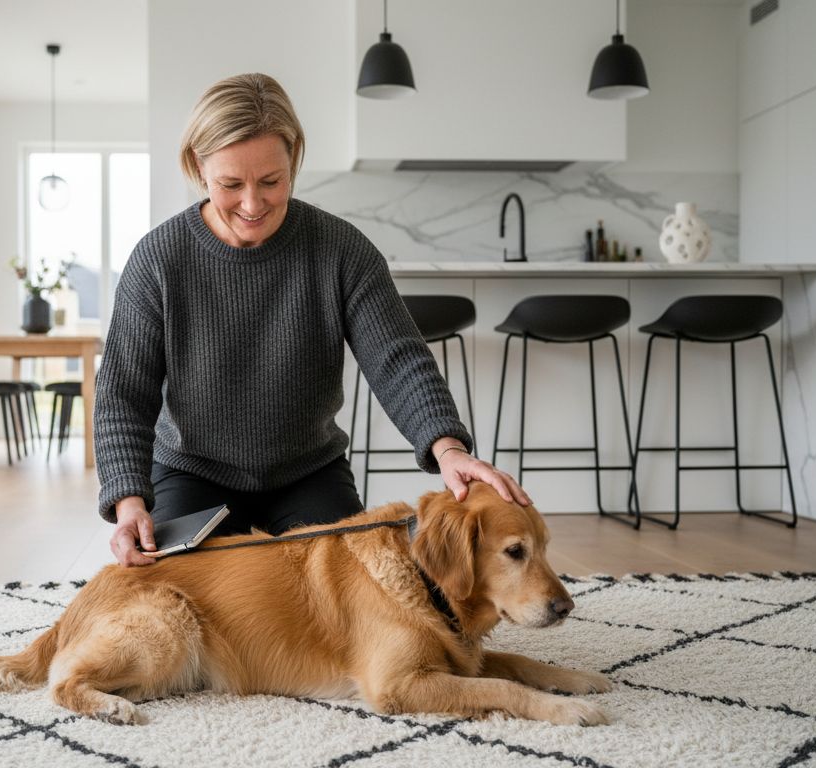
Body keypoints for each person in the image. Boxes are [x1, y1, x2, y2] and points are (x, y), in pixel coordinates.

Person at [95, 73, 530, 567]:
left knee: (360, 593)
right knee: (174, 601)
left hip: (307, 473)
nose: (253, 204)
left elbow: (398, 359)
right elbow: (123, 393)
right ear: (198, 166)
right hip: (191, 472)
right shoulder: (158, 259)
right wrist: (129, 499)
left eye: (271, 181)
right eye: (231, 184)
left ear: (295, 158)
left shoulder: (341, 249)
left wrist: (449, 448)